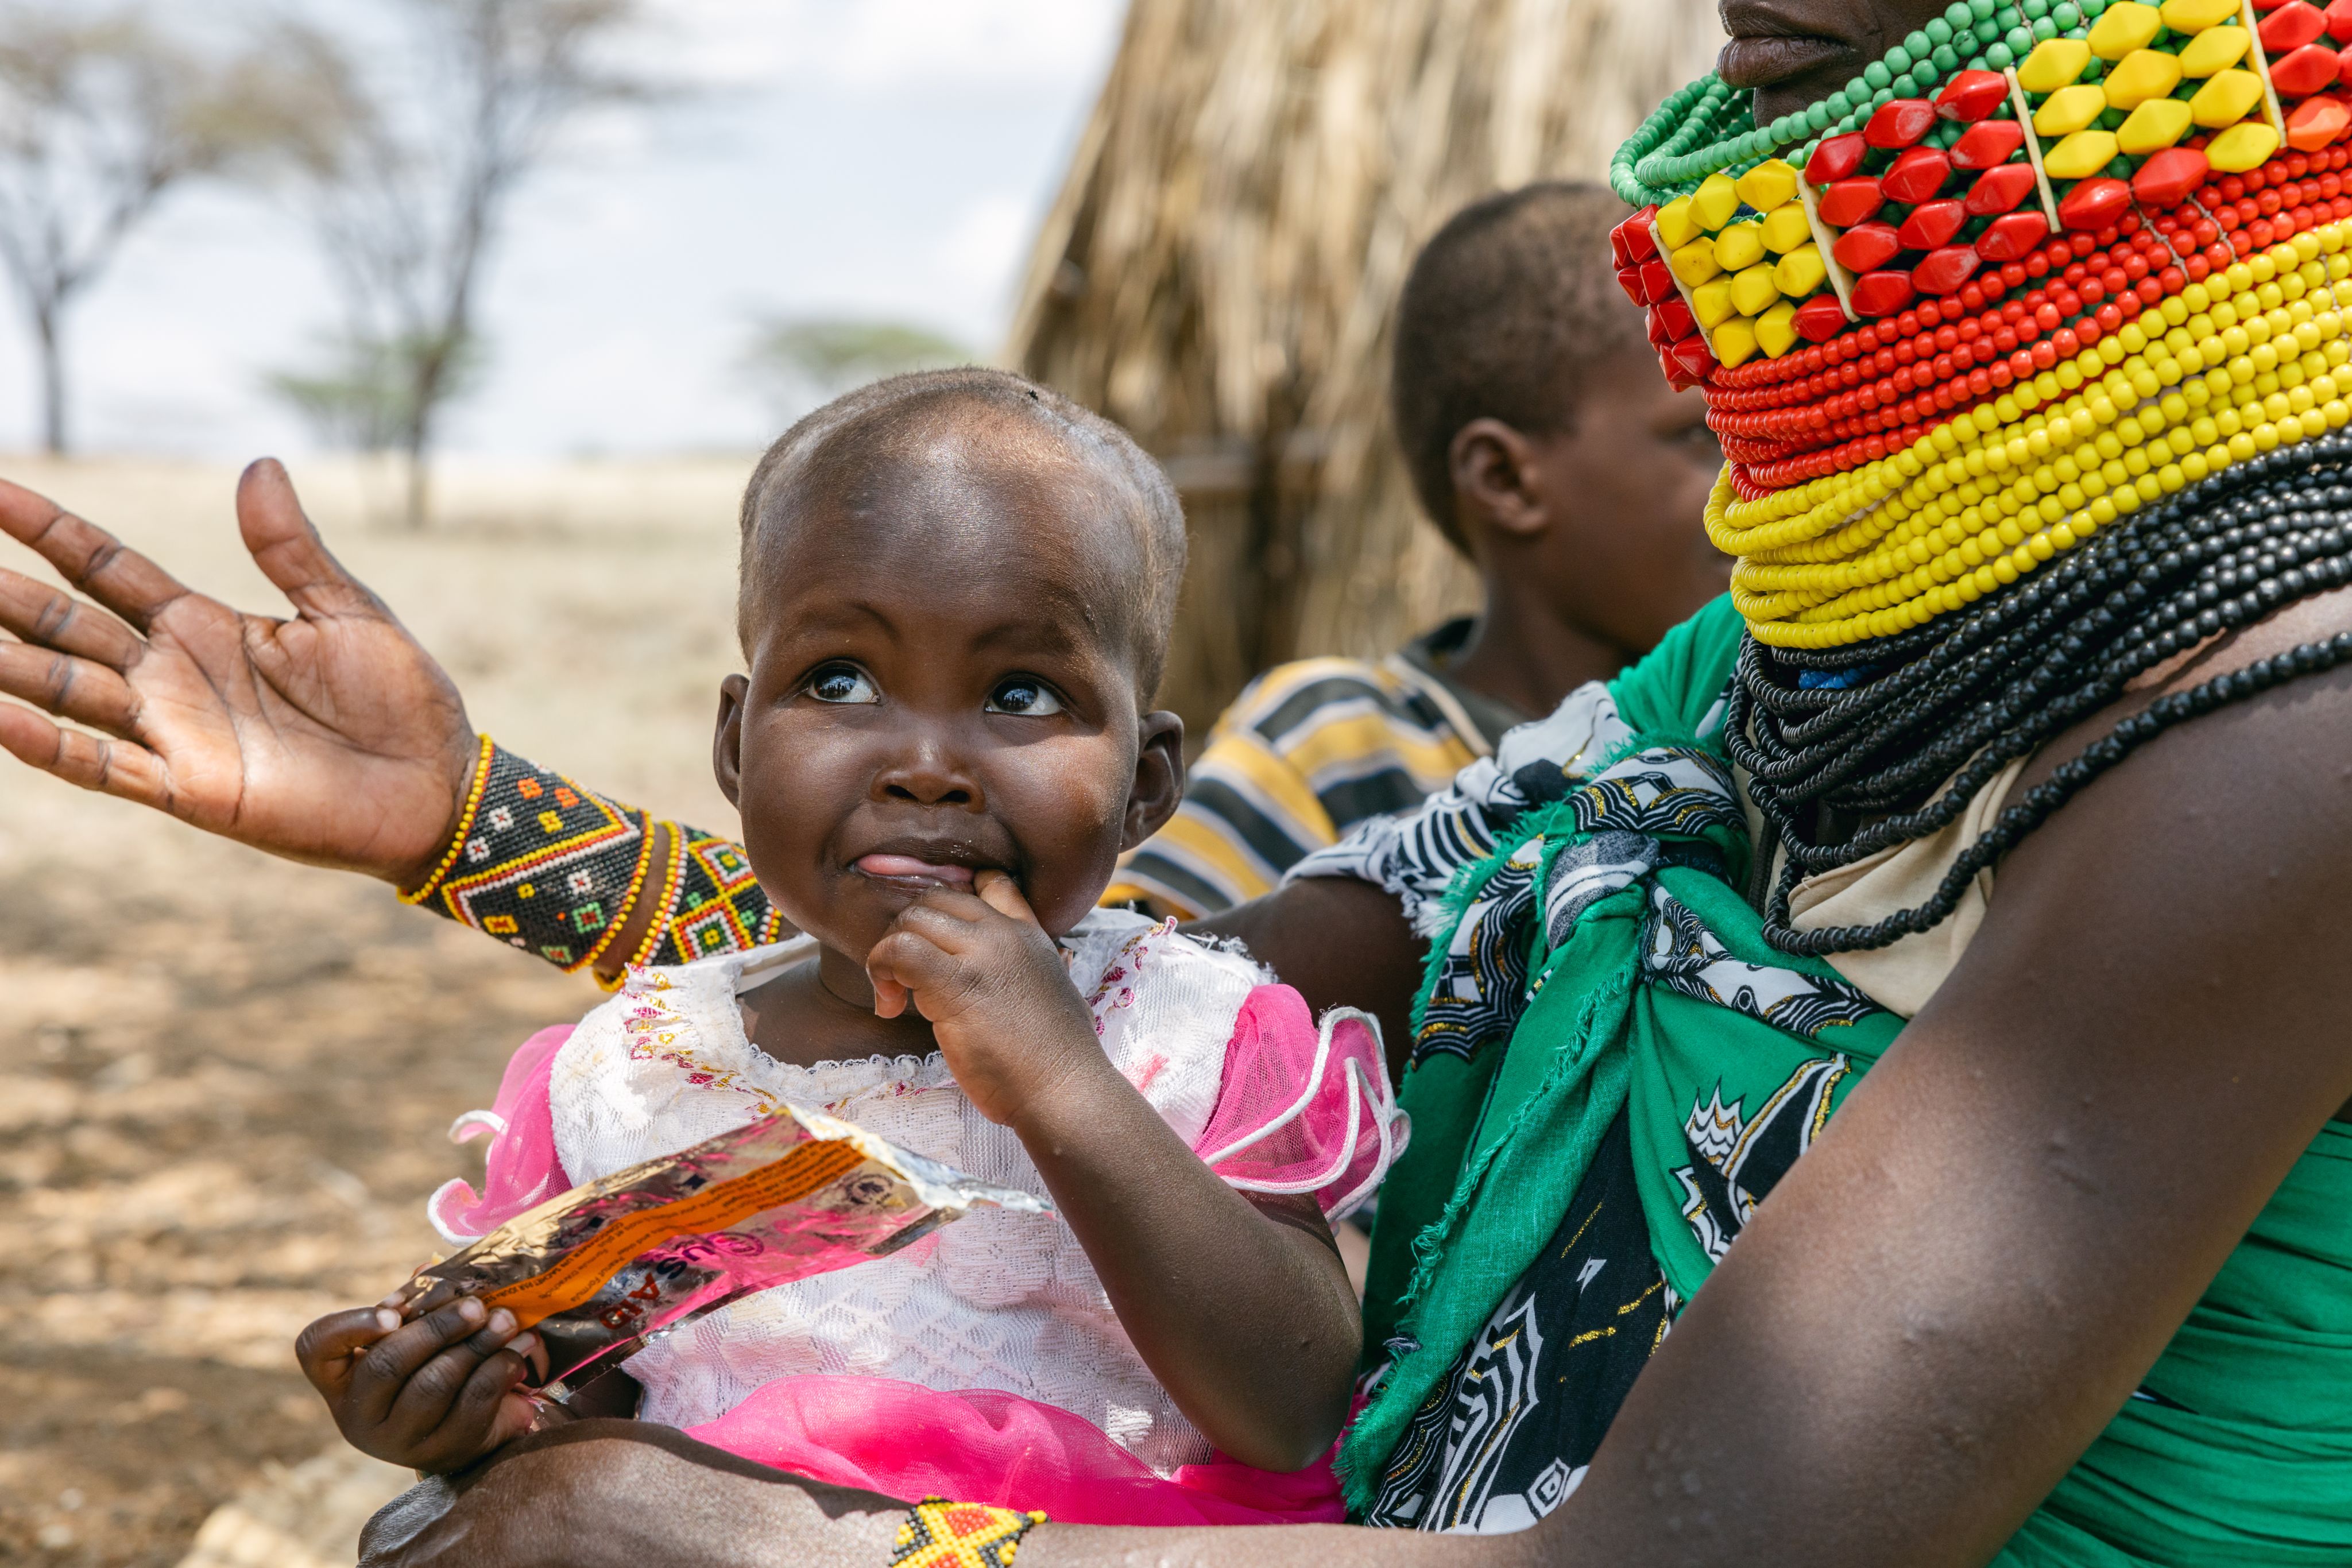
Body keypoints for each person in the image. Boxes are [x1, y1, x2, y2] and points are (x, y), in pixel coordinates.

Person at [9, 0, 2352, 1555]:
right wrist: (470, 826)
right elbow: (1094, 995)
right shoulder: (1765, 676)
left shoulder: (2273, 753)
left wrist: (766, 1537)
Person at [289, 369, 1401, 1527]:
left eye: (1021, 693)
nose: (924, 761)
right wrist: (472, 1415)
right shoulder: (641, 1068)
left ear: (1146, 784)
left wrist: (1066, 1084)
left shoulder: (1188, 1030)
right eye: (840, 680)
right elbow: (600, 1419)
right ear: (734, 741)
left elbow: (1299, 1407)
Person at [1106, 180, 1727, 919]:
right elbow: (1138, 990)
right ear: (1505, 480)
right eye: (1702, 437)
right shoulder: (1339, 742)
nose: (1758, 474)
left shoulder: (1755, 728)